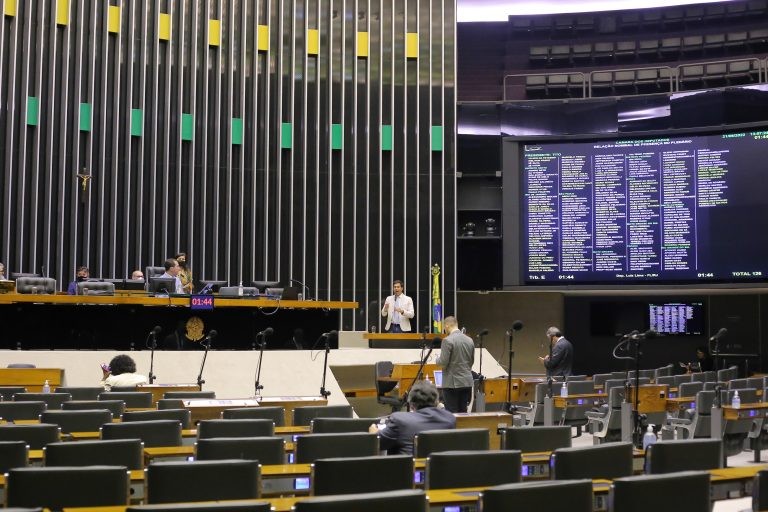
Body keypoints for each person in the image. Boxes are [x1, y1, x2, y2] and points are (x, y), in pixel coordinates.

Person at [369, 379, 455, 455]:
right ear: (436, 402)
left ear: (411, 404)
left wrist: (373, 433)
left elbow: (378, 444)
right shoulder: (449, 419)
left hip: (407, 471)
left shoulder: (400, 420)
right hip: (437, 471)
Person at [436, 316, 475, 413]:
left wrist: (437, 359)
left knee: (451, 413)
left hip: (451, 383)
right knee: (463, 412)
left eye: (444, 327)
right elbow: (471, 361)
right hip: (466, 382)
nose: (444, 330)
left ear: (447, 325)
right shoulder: (470, 340)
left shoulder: (447, 340)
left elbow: (443, 363)